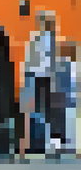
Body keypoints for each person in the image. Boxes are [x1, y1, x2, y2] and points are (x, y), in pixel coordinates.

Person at [22, 11, 62, 156]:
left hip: (37, 77)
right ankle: (42, 143)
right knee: (42, 111)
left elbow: (32, 60)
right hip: (42, 77)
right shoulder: (48, 39)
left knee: (37, 111)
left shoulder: (39, 38)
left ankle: (38, 143)